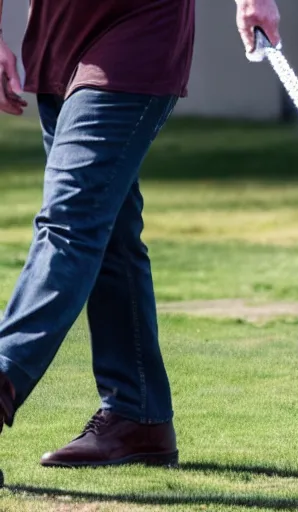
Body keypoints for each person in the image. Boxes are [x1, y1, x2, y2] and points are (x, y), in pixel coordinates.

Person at [0, 0, 281, 468]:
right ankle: (138, 416)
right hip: (57, 35)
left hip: (139, 28)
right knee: (111, 236)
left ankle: (5, 374)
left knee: (71, 219)